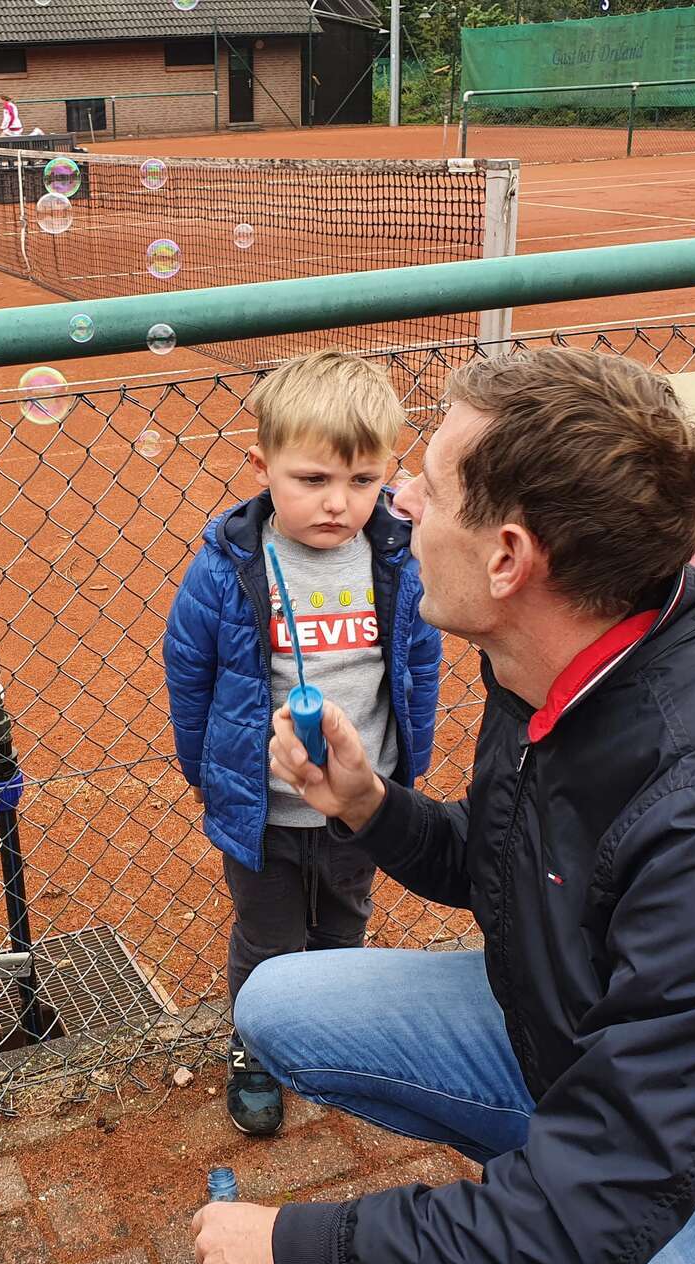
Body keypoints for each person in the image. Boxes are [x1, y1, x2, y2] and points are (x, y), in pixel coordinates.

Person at [194, 347, 695, 1264]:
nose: (401, 501)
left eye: (431, 486)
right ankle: (540, 1197)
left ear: (507, 559)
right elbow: (512, 867)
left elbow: (597, 1207)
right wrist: (372, 807)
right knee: (280, 1000)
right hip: (617, 1079)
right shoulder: (560, 654)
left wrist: (299, 1247)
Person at [164, 350, 441, 1138]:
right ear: (262, 467)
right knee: (270, 938)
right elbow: (189, 675)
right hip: (267, 812)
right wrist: (208, 773)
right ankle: (257, 1046)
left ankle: (330, 1037)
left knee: (344, 927)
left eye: (362, 479)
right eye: (312, 479)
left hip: (361, 804)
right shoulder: (228, 568)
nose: (338, 502)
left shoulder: (398, 558)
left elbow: (419, 667)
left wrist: (403, 772)